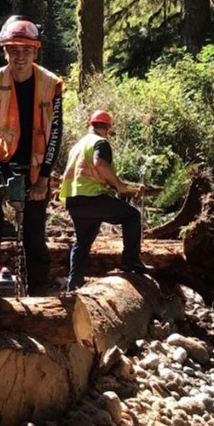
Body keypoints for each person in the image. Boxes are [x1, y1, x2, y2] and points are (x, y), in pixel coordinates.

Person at [0, 15, 63, 301]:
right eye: (13, 49)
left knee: (34, 233)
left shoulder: (51, 84)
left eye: (26, 50)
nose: (19, 56)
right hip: (1, 161)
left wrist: (43, 179)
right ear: (5, 50)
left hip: (35, 165)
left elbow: (56, 131)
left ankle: (40, 288)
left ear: (35, 51)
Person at [59, 109, 152, 291]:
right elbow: (100, 164)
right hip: (92, 198)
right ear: (108, 128)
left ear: (90, 124)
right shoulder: (100, 143)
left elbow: (86, 173)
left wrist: (114, 186)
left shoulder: (78, 145)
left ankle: (74, 283)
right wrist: (119, 185)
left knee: (82, 242)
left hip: (74, 201)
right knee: (131, 216)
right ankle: (130, 261)